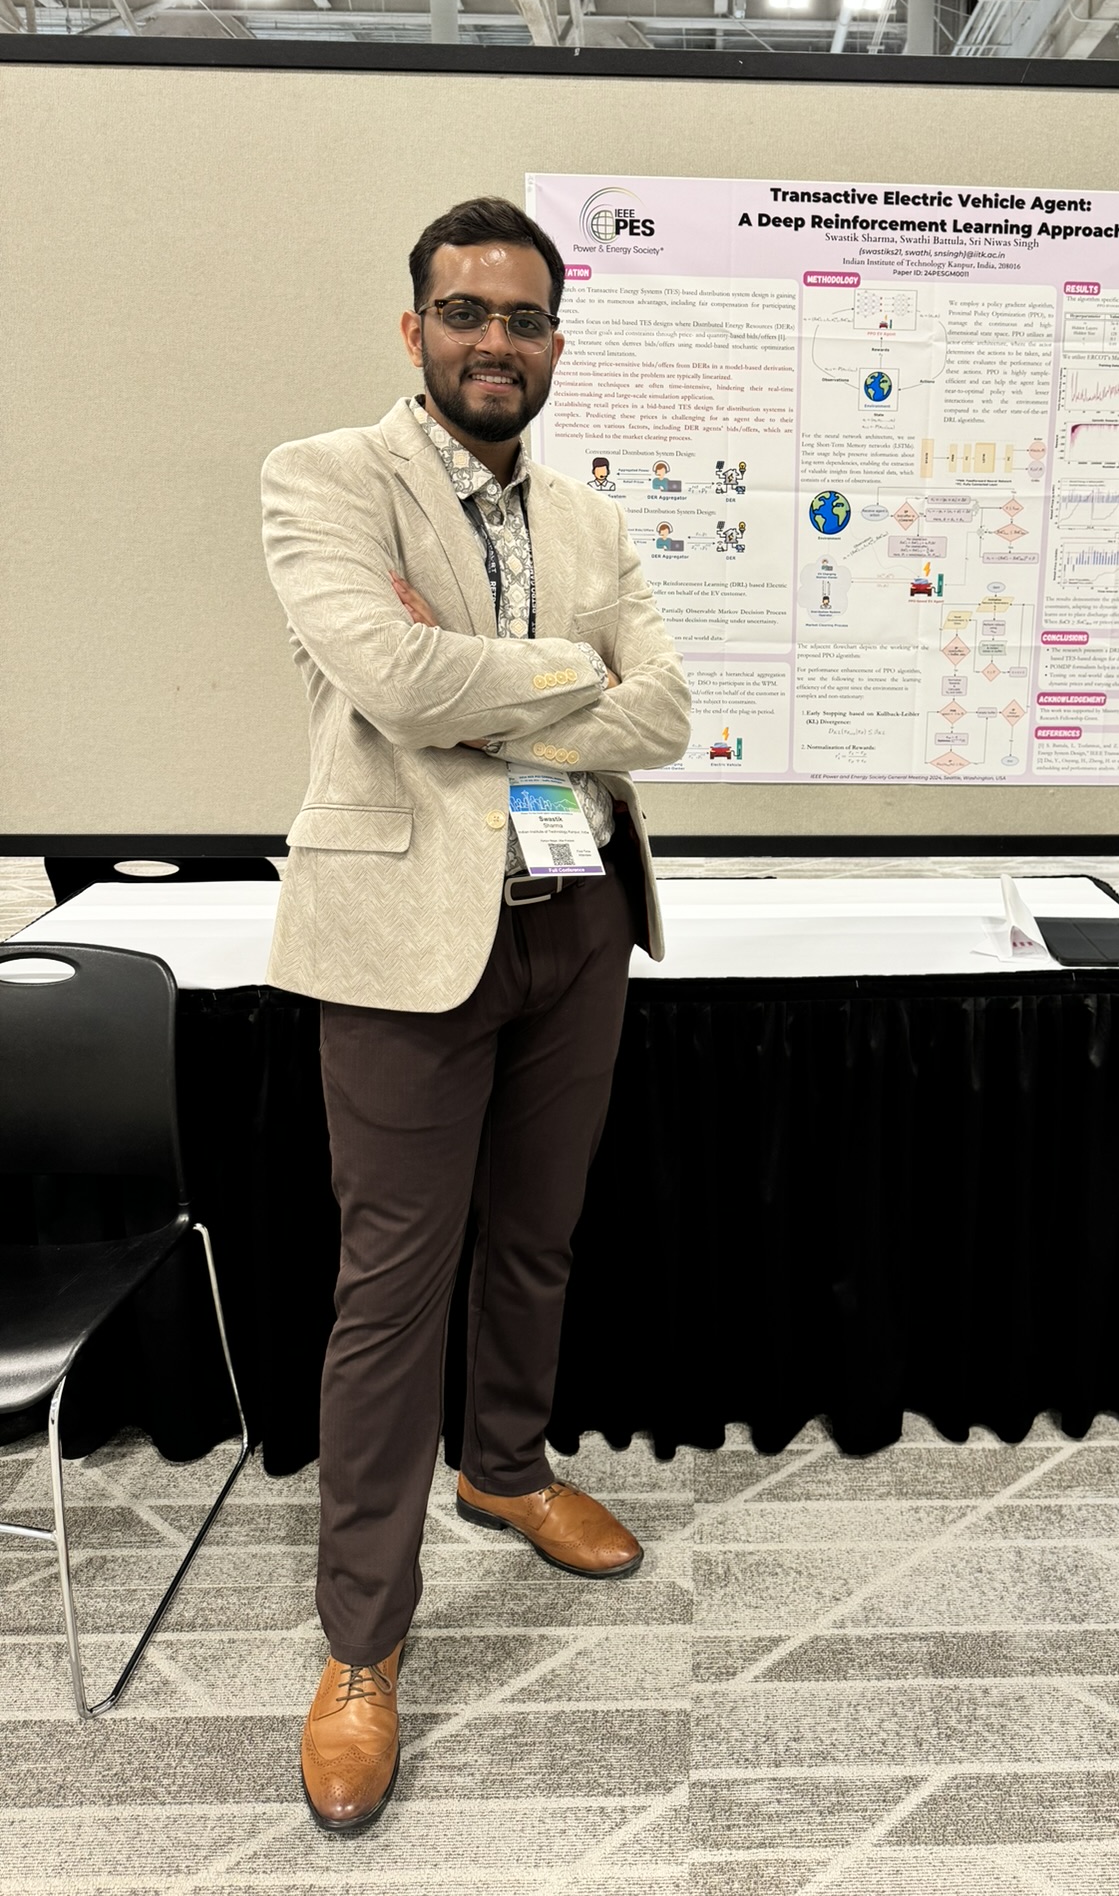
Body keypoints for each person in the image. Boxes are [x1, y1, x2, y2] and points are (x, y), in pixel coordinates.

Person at [260, 195, 690, 1834]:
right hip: (402, 938)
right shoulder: (324, 478)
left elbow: (665, 713)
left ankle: (504, 1467)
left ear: (556, 342)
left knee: (537, 1238)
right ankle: (362, 1643)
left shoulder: (590, 515)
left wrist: (489, 681)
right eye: (464, 313)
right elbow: (389, 677)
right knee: (391, 1291)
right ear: (415, 328)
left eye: (521, 318)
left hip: (577, 918)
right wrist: (570, 676)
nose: (492, 342)